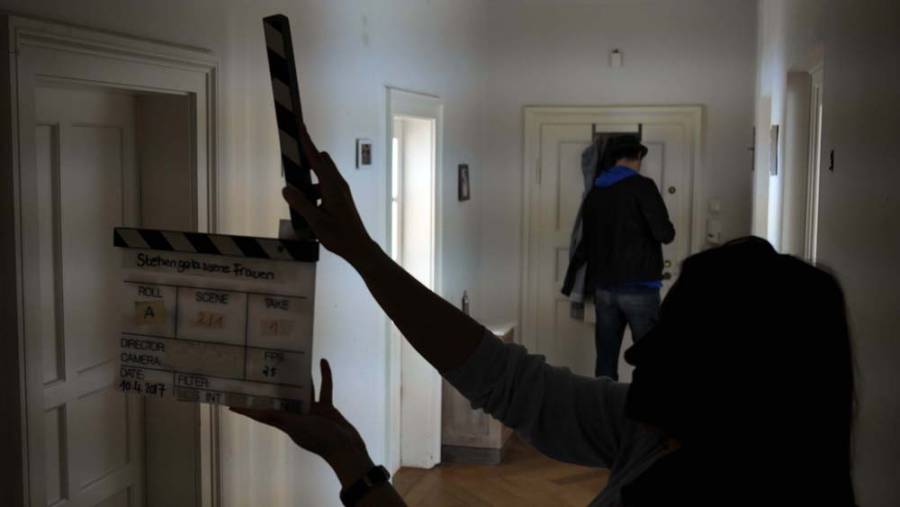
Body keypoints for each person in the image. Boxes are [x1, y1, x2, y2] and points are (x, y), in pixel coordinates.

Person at [234, 126, 857, 506]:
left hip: (605, 285)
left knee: (606, 353)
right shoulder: (655, 432)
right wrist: (365, 255)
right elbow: (510, 380)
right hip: (635, 282)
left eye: (677, 339)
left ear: (744, 376)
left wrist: (353, 468)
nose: (643, 353)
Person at [562, 134, 675, 379]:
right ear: (637, 157)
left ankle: (603, 404)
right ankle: (645, 404)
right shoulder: (642, 186)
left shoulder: (595, 192)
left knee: (605, 359)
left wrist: (571, 283)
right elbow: (664, 233)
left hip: (604, 289)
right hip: (639, 287)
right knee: (650, 360)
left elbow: (587, 241)